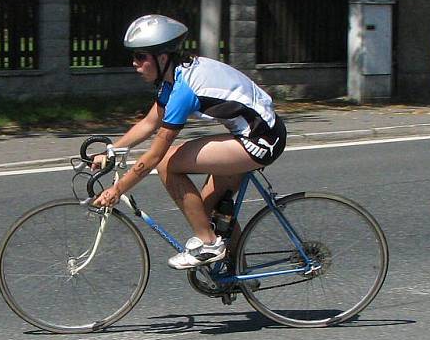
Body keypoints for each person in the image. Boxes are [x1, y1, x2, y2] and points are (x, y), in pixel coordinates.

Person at [92, 14, 287, 270]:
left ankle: (209, 245)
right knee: (204, 211)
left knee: (167, 163)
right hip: (255, 131)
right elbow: (149, 123)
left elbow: (154, 156)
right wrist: (112, 150)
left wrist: (117, 190)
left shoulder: (183, 91)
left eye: (141, 57)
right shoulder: (175, 77)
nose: (135, 63)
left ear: (162, 58)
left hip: (260, 140)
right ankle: (239, 273)